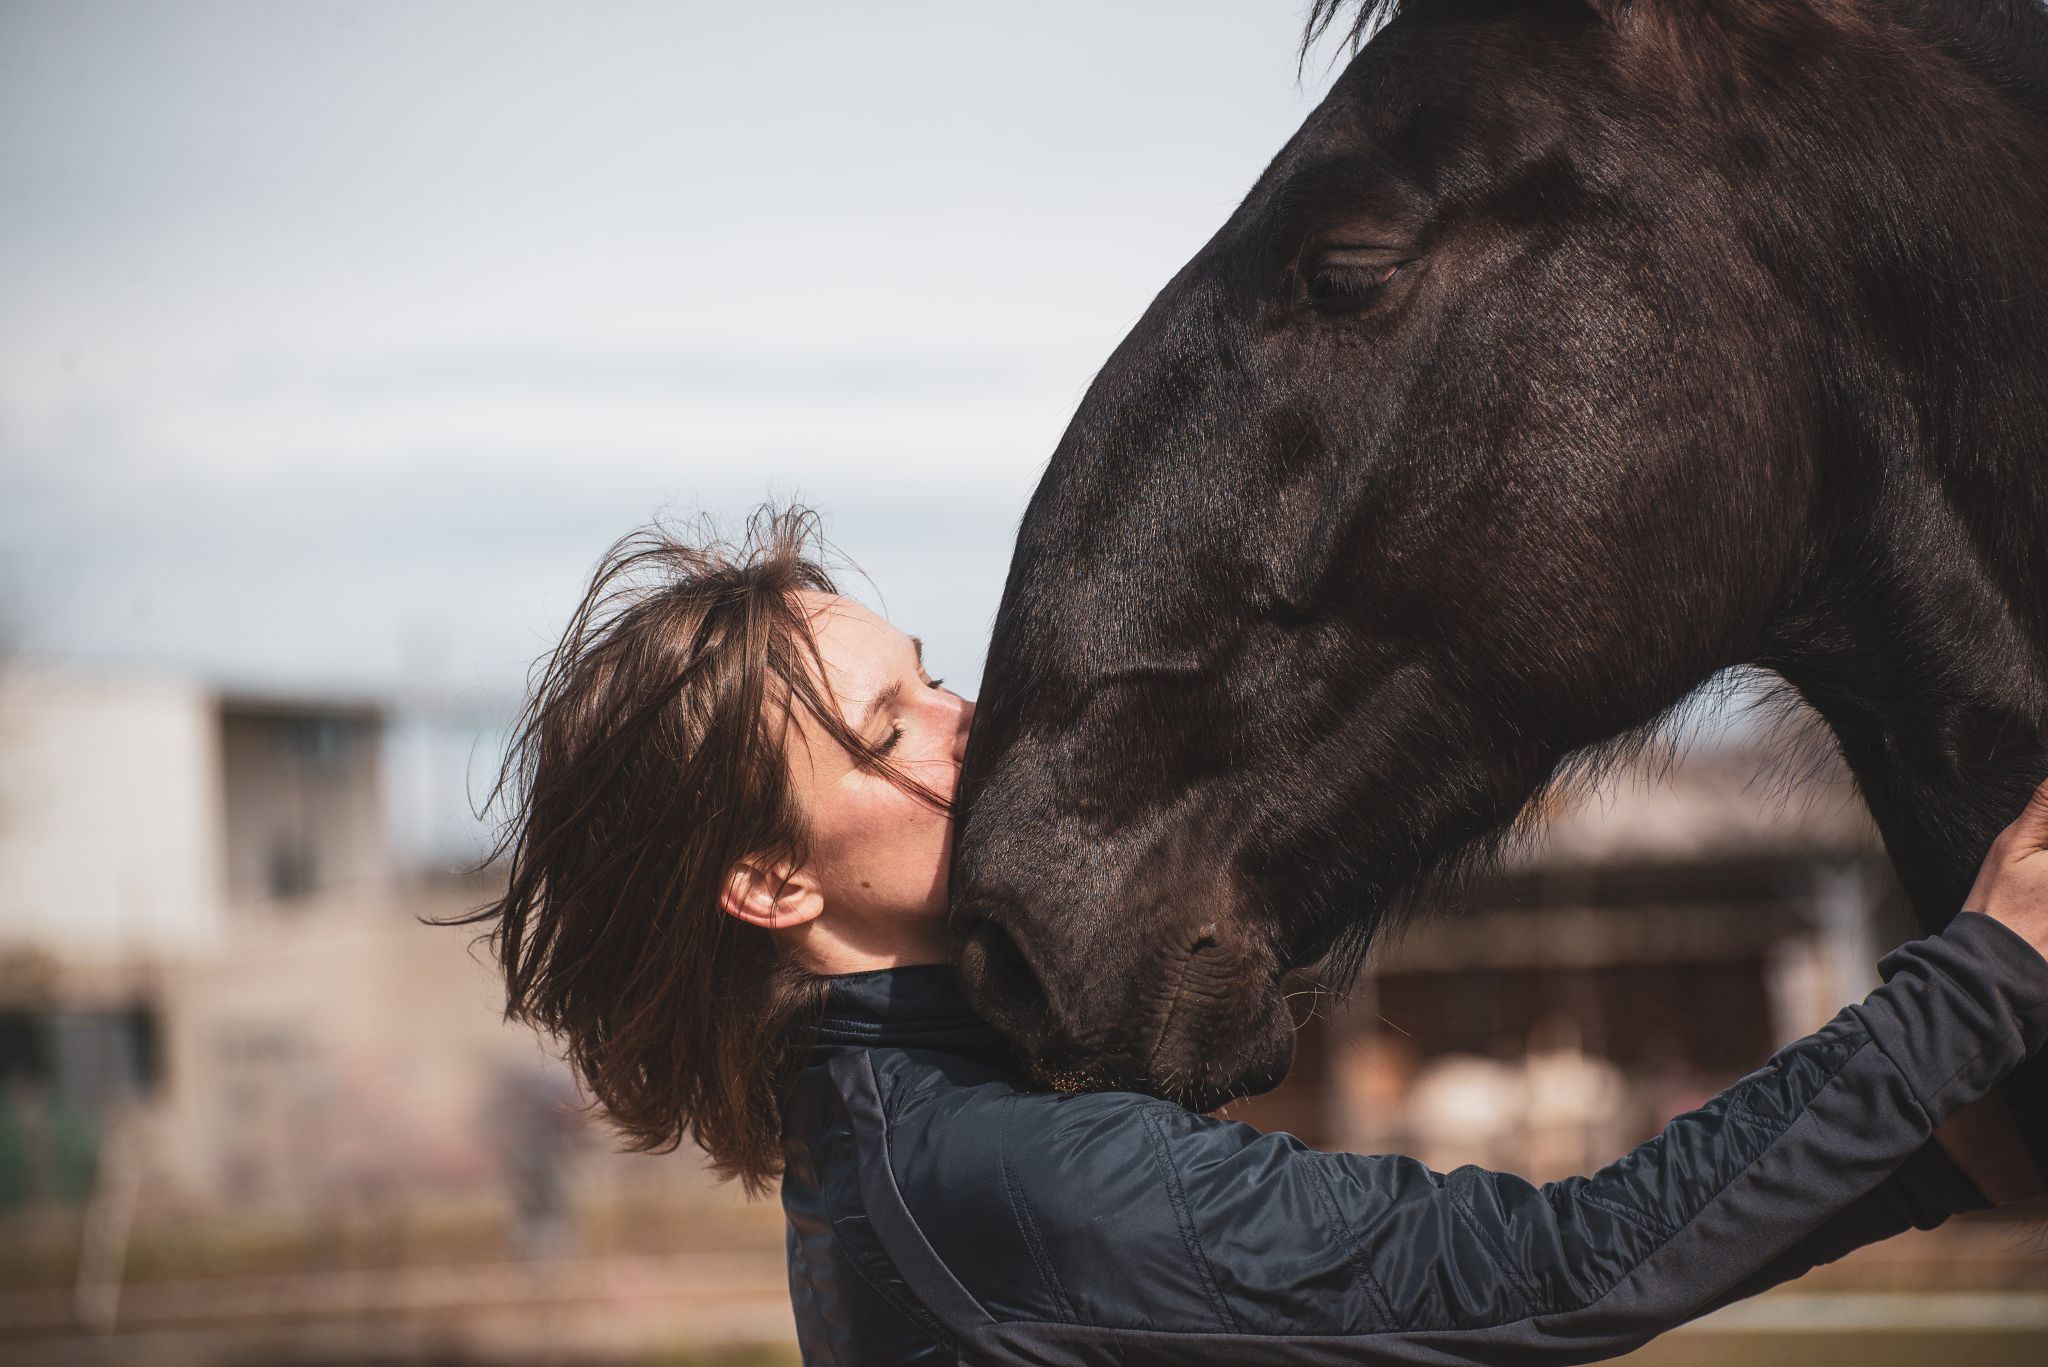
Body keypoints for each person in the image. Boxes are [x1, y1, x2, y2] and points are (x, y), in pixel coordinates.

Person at [451, 508, 2048, 1366]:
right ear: (773, 886)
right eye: (891, 727)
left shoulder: (898, 1139)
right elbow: (1544, 1271)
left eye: (932, 675)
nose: (968, 726)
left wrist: (1924, 1162)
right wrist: (1972, 980)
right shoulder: (1007, 1180)